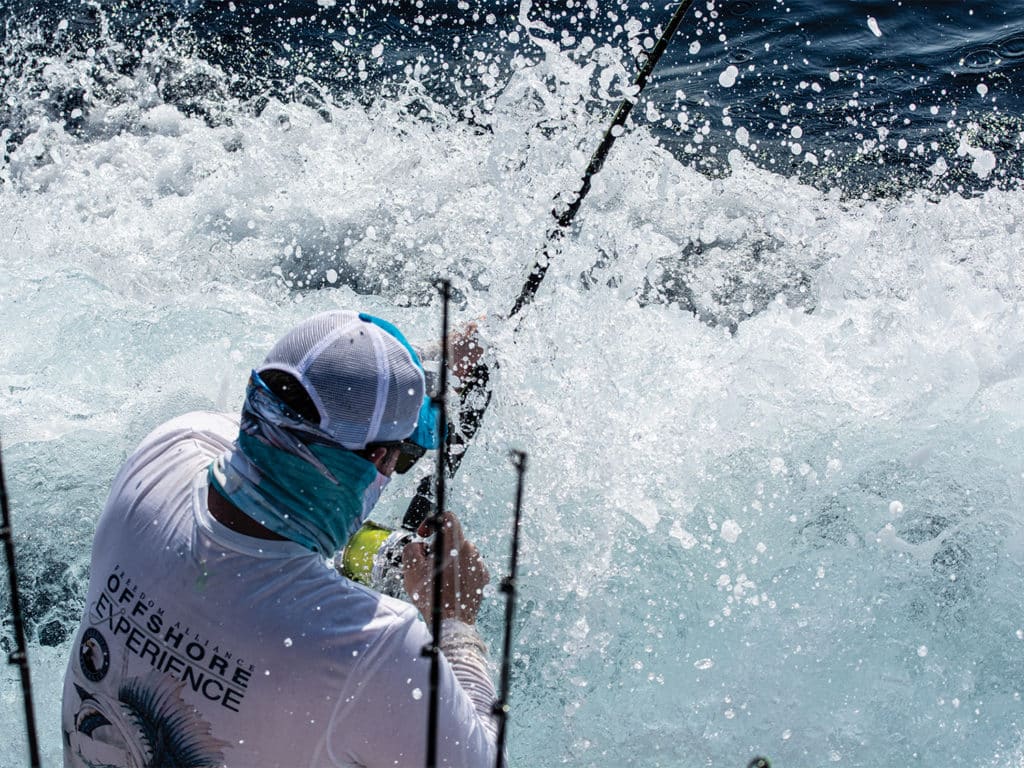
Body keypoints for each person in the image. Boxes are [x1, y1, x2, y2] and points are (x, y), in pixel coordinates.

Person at [61, 310, 497, 767]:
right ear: (377, 459)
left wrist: (423, 366)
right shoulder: (378, 646)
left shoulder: (164, 454)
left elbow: (285, 455)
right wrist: (453, 620)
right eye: (402, 459)